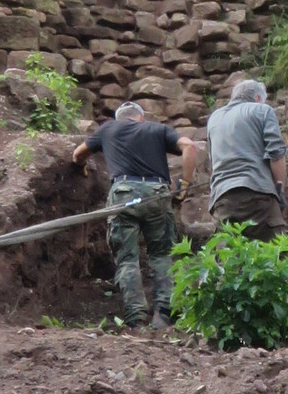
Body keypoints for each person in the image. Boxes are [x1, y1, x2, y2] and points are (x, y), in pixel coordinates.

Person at [73, 99, 197, 327]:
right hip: (157, 194)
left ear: (118, 118)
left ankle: (136, 318)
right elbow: (189, 146)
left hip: (123, 195)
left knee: (127, 259)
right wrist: (185, 185)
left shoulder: (108, 129)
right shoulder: (157, 129)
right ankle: (163, 314)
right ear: (141, 118)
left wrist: (81, 167)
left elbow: (78, 154)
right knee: (161, 255)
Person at [205, 76, 288, 241]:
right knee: (276, 251)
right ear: (257, 98)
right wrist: (279, 191)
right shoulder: (262, 110)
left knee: (229, 253)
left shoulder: (214, 118)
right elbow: (276, 154)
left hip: (222, 199)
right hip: (258, 195)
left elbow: (212, 161)